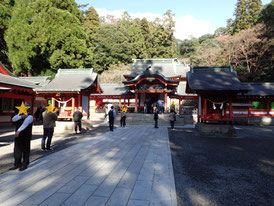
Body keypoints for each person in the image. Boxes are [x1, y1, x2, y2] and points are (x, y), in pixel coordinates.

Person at [10, 104, 33, 171]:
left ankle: (25, 164)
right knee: (17, 150)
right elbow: (13, 119)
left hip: (26, 135)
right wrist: (21, 117)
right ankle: (17, 164)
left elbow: (25, 123)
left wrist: (18, 131)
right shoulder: (19, 115)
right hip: (18, 136)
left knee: (25, 150)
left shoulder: (30, 116)